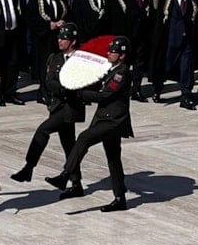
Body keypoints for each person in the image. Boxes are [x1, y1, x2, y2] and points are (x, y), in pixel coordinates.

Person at [45, 35, 133, 212]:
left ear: (122, 55)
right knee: (113, 158)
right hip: (106, 118)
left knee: (84, 138)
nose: (109, 54)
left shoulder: (121, 73)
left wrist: (79, 93)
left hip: (113, 121)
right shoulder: (111, 69)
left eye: (113, 52)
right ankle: (120, 198)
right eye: (109, 51)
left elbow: (104, 95)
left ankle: (65, 175)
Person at [11, 23, 85, 188]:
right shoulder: (55, 58)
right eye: (59, 37)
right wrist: (62, 87)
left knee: (43, 130)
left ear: (73, 41)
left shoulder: (81, 60)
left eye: (63, 38)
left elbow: (77, 84)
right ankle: (76, 183)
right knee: (68, 144)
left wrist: (64, 87)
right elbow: (49, 81)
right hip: (57, 106)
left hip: (71, 108)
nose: (59, 40)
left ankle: (29, 168)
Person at [151, 0, 198, 110]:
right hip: (170, 40)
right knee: (166, 66)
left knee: (186, 68)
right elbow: (160, 20)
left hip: (186, 40)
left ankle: (185, 95)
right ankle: (158, 89)